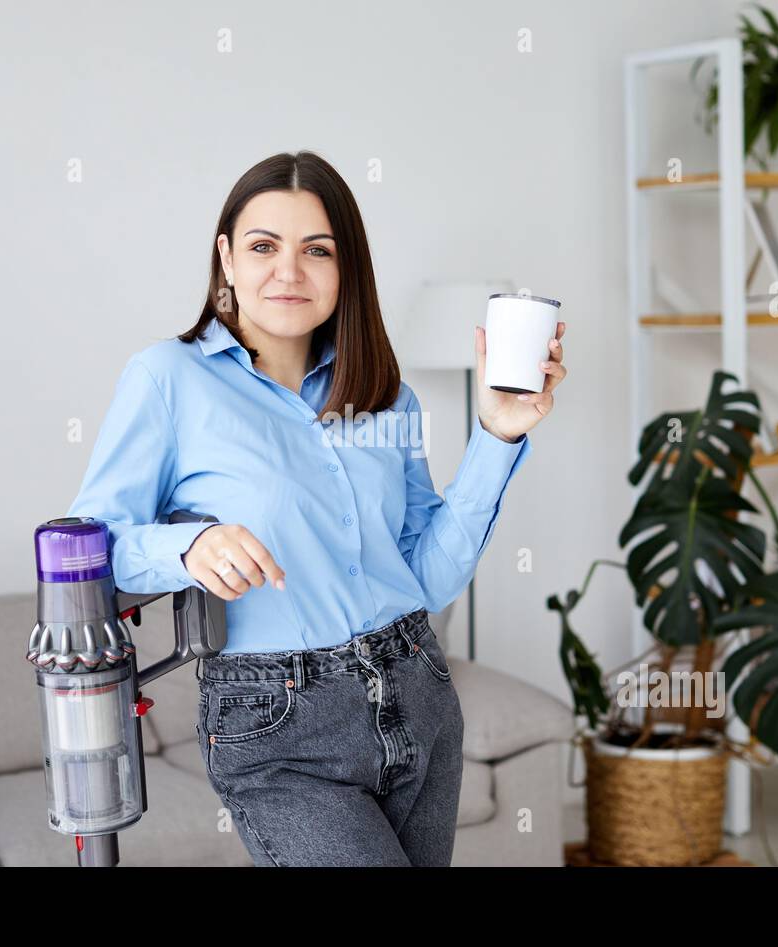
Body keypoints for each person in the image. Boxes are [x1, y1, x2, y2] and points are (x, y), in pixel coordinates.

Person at [67, 150, 567, 866]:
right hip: (279, 724)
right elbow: (89, 547)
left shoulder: (388, 397)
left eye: (317, 250)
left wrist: (496, 435)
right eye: (264, 246)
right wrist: (188, 549)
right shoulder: (167, 379)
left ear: (346, 267)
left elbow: (428, 578)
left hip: (417, 689)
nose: (289, 271)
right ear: (226, 260)